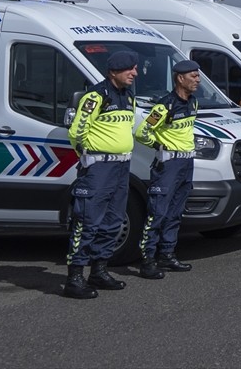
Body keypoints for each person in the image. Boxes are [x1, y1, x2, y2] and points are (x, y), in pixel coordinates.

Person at [64, 49, 139, 299]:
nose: (134, 73)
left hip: (121, 168)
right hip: (98, 168)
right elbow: (76, 132)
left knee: (113, 222)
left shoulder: (129, 97)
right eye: (130, 69)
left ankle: (99, 271)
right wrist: (88, 160)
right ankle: (75, 278)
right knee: (87, 221)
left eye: (135, 68)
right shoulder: (95, 97)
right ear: (114, 72)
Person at [134, 59, 200, 279]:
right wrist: (159, 146)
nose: (197, 80)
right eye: (193, 76)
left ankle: (167, 255)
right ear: (180, 78)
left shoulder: (194, 103)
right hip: (168, 165)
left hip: (186, 164)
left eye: (198, 76)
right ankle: (147, 260)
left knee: (175, 213)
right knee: (158, 213)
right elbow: (142, 132)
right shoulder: (164, 106)